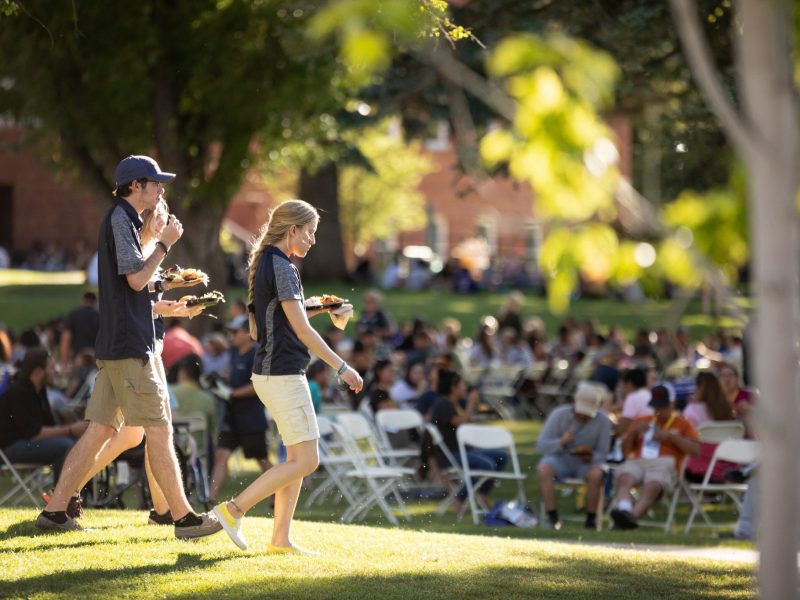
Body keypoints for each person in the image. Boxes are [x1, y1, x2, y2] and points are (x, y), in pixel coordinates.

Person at [36, 155, 221, 539]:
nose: (161, 189)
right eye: (155, 183)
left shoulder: (124, 219)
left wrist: (161, 297)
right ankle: (183, 518)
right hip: (130, 346)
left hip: (119, 345)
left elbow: (134, 287)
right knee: (159, 429)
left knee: (100, 431)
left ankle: (55, 511)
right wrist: (165, 246)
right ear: (136, 186)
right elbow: (136, 279)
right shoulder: (121, 219)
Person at [213, 199, 363, 554]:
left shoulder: (267, 262)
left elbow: (259, 327)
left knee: (295, 460)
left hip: (272, 373)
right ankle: (233, 511)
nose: (312, 240)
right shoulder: (282, 266)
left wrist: (323, 306)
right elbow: (302, 330)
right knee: (307, 461)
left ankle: (280, 539)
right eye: (309, 233)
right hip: (282, 374)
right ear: (292, 230)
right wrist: (343, 367)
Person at [610, 385, 700, 530]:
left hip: (665, 463)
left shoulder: (683, 423)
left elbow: (696, 450)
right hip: (639, 461)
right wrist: (633, 433)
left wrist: (671, 437)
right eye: (656, 407)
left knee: (653, 483)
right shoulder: (642, 421)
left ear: (672, 404)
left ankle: (630, 518)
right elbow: (625, 451)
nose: (658, 411)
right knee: (624, 476)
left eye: (663, 407)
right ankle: (625, 511)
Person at [208, 315, 272, 504]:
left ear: (248, 333)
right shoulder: (235, 354)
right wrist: (219, 383)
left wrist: (232, 393)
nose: (232, 336)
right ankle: (210, 499)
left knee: (261, 459)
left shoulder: (256, 355)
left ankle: (280, 493)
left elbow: (258, 385)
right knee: (221, 456)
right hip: (232, 416)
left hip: (250, 418)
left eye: (235, 332)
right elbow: (231, 379)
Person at [0, 348, 89, 485]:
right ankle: (61, 498)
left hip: (26, 444)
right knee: (65, 446)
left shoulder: (39, 391)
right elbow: (35, 433)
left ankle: (79, 494)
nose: (56, 372)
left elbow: (50, 426)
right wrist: (71, 429)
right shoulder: (20, 392)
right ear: (38, 372)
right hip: (9, 449)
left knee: (79, 442)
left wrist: (76, 429)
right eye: (52, 368)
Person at [535, 383, 611, 530]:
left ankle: (591, 519)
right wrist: (561, 442)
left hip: (587, 464)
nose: (583, 415)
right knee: (544, 469)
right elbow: (540, 446)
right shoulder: (559, 415)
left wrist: (591, 457)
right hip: (560, 459)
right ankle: (553, 517)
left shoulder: (603, 421)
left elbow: (604, 452)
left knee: (597, 474)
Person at [430, 369, 507, 512]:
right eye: (462, 384)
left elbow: (469, 420)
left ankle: (483, 492)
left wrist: (473, 406)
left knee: (502, 456)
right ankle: (460, 498)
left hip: (465, 450)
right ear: (453, 387)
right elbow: (460, 422)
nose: (465, 387)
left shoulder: (457, 403)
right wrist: (471, 402)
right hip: (451, 455)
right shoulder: (444, 404)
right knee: (486, 465)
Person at [59, 291, 99, 368]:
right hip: (96, 357)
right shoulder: (99, 316)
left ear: (83, 300)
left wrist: (64, 361)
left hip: (78, 357)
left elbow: (66, 338)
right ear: (95, 302)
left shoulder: (73, 315)